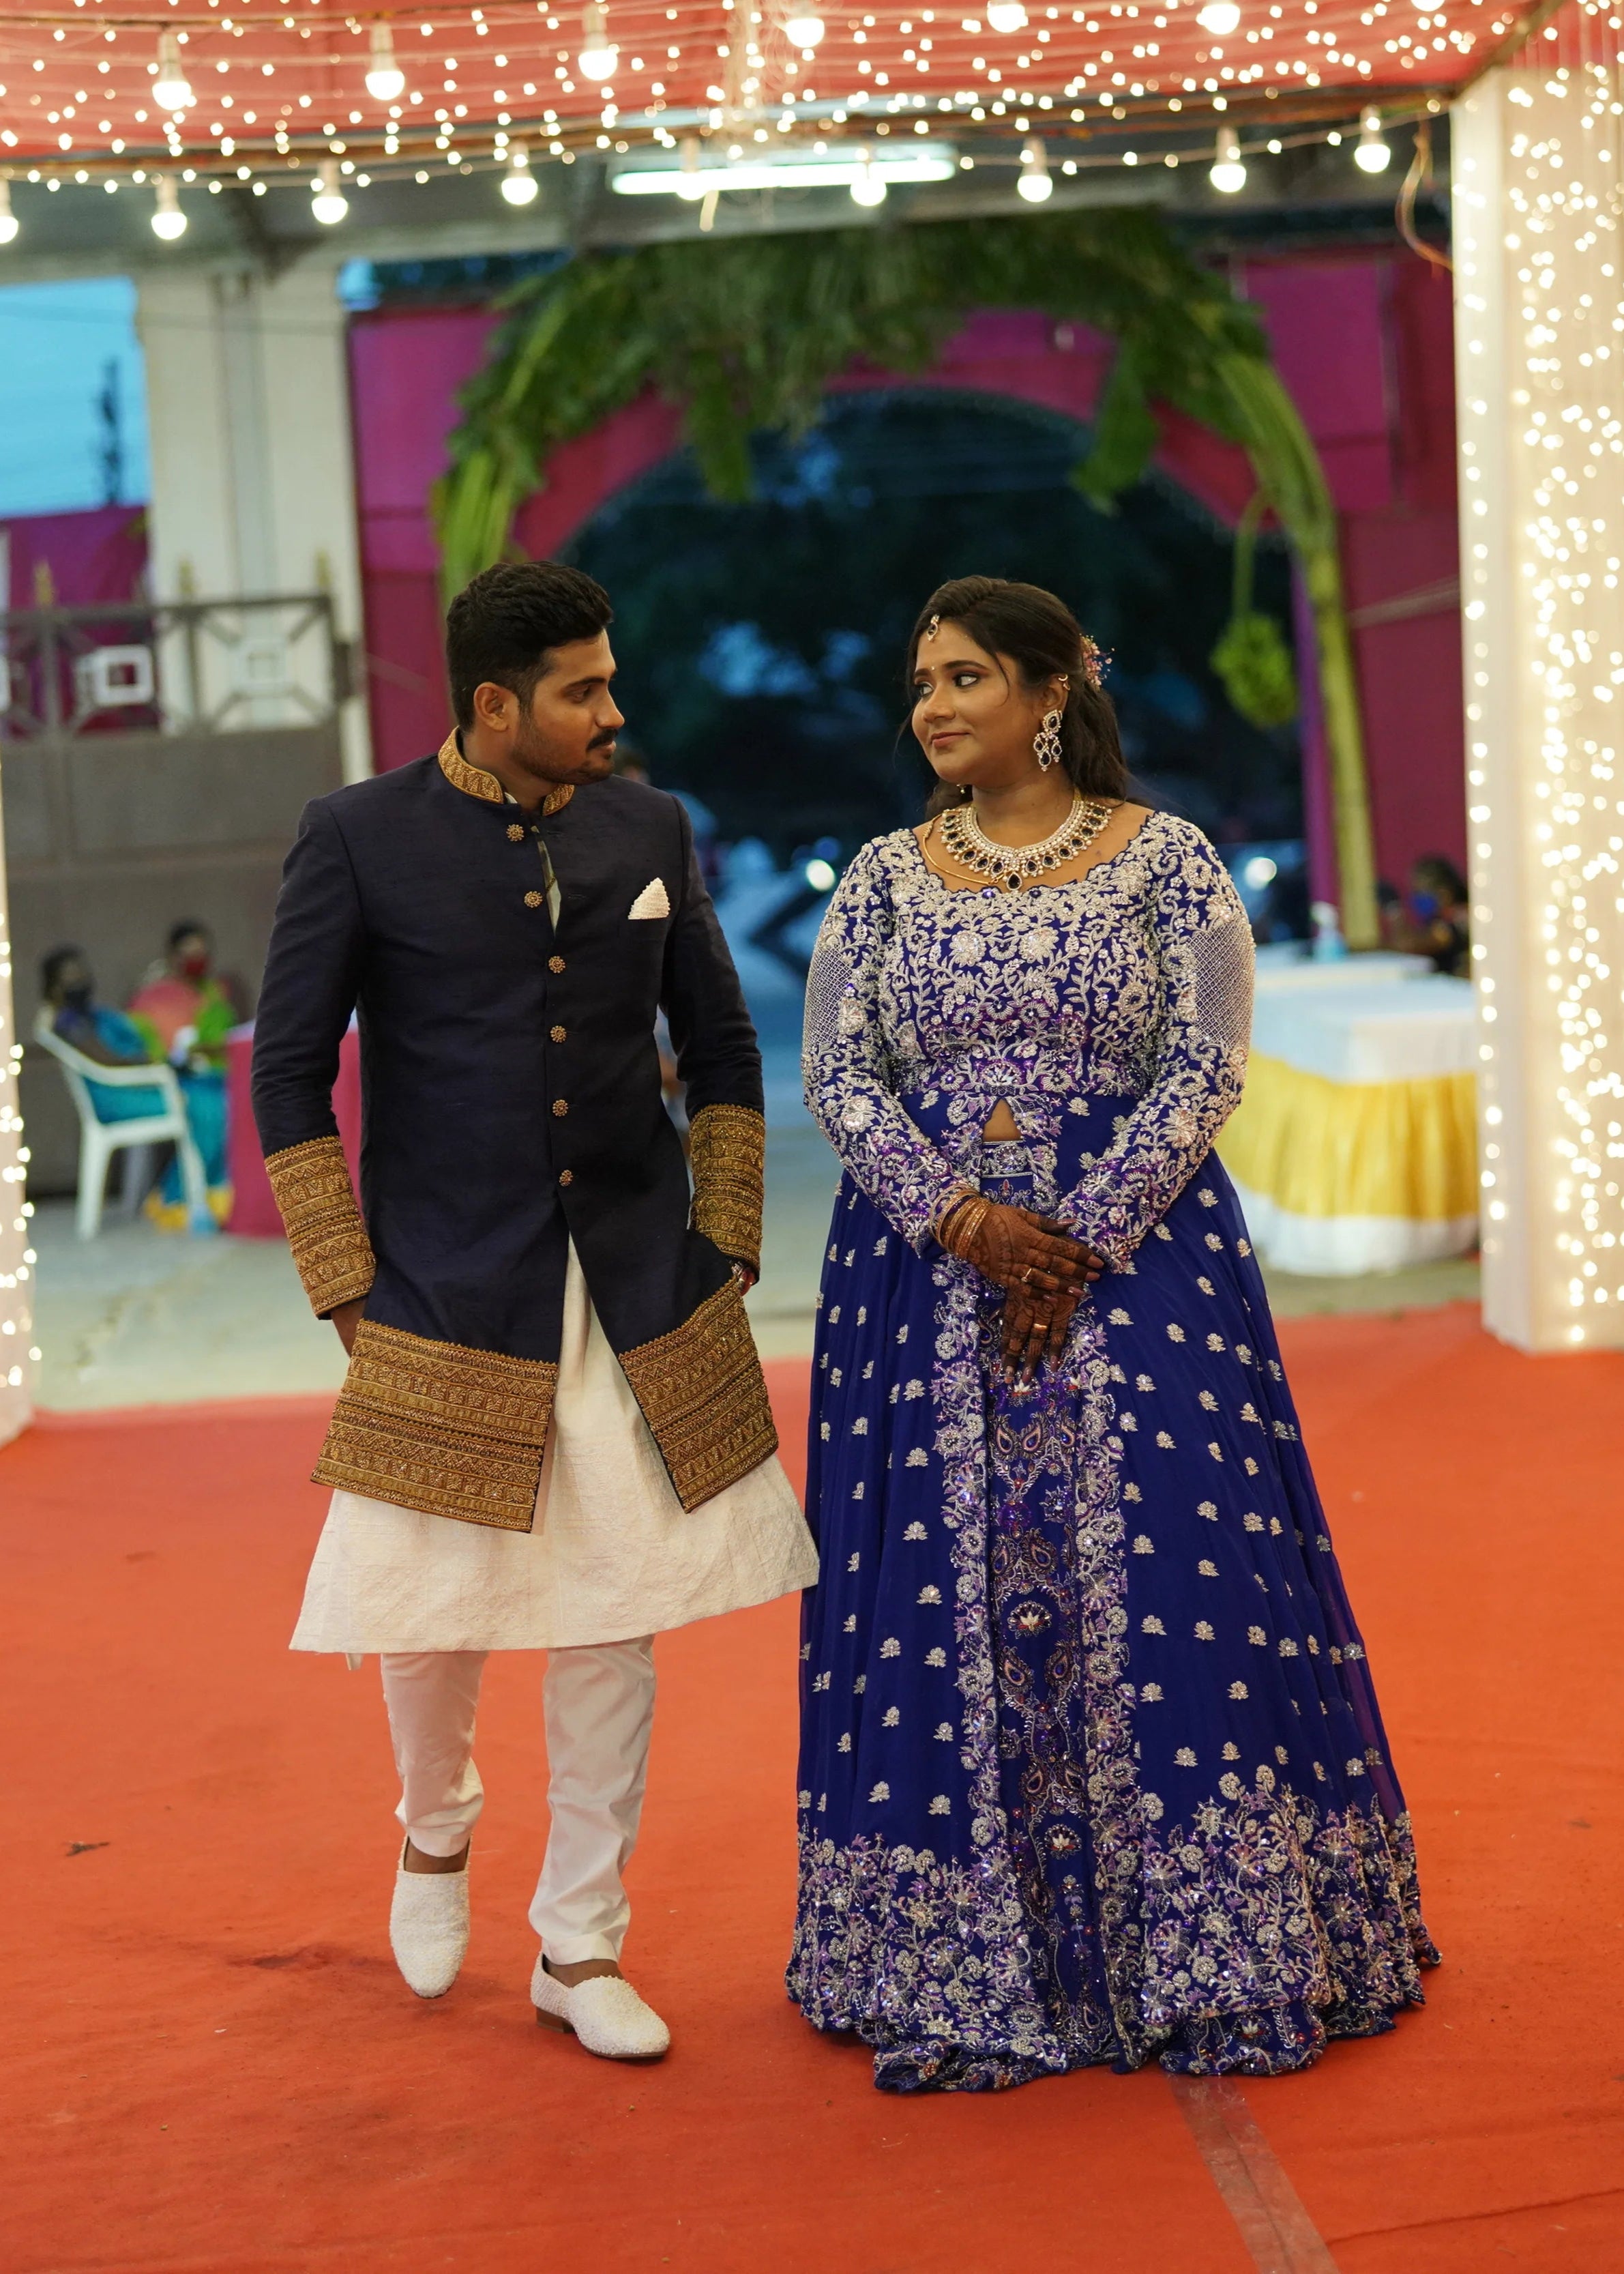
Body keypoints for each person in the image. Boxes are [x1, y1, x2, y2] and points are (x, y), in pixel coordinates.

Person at [791, 576, 1437, 2092]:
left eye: (961, 677)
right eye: (920, 681)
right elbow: (835, 1070)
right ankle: (963, 1960)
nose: (931, 706)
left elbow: (1207, 1060)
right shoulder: (883, 877)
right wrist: (962, 1220)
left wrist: (1077, 1233)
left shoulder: (1168, 863)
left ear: (1047, 694)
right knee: (935, 1600)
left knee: (1174, 1580)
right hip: (923, 1284)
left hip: (1140, 1276)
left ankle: (1213, 1951)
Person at [252, 560, 816, 2062]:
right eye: (581, 690)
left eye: (607, 681)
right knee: (426, 1614)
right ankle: (433, 1829)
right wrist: (341, 1280)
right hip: (442, 1284)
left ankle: (580, 1942)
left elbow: (718, 1041)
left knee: (610, 1616)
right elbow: (288, 1068)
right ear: (495, 706)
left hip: (631, 1281)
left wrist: (729, 1238)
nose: (611, 711)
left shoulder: (648, 826)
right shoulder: (358, 837)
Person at [128, 920, 239, 1222]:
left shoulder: (216, 994)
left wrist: (210, 1051)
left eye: (202, 952)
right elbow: (147, 1048)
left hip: (220, 1077)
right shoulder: (153, 997)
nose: (196, 958)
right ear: (172, 955)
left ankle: (226, 1195)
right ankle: (175, 1198)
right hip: (175, 1081)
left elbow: (226, 1039)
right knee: (210, 1111)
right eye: (188, 952)